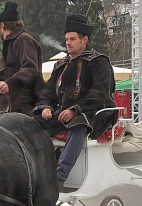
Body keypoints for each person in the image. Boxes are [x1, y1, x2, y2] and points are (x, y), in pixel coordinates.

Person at [34, 14, 116, 191]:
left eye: (72, 39)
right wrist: (46, 107)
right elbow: (48, 91)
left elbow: (99, 94)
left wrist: (75, 110)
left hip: (96, 113)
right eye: (66, 39)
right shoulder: (61, 65)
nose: (68, 43)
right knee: (33, 126)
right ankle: (36, 171)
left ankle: (59, 177)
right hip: (64, 114)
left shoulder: (99, 62)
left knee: (78, 125)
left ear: (84, 40)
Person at [0, 1, 45, 118]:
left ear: (2, 25)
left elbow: (30, 68)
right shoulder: (9, 43)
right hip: (5, 96)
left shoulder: (23, 40)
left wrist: (8, 84)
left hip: (22, 99)